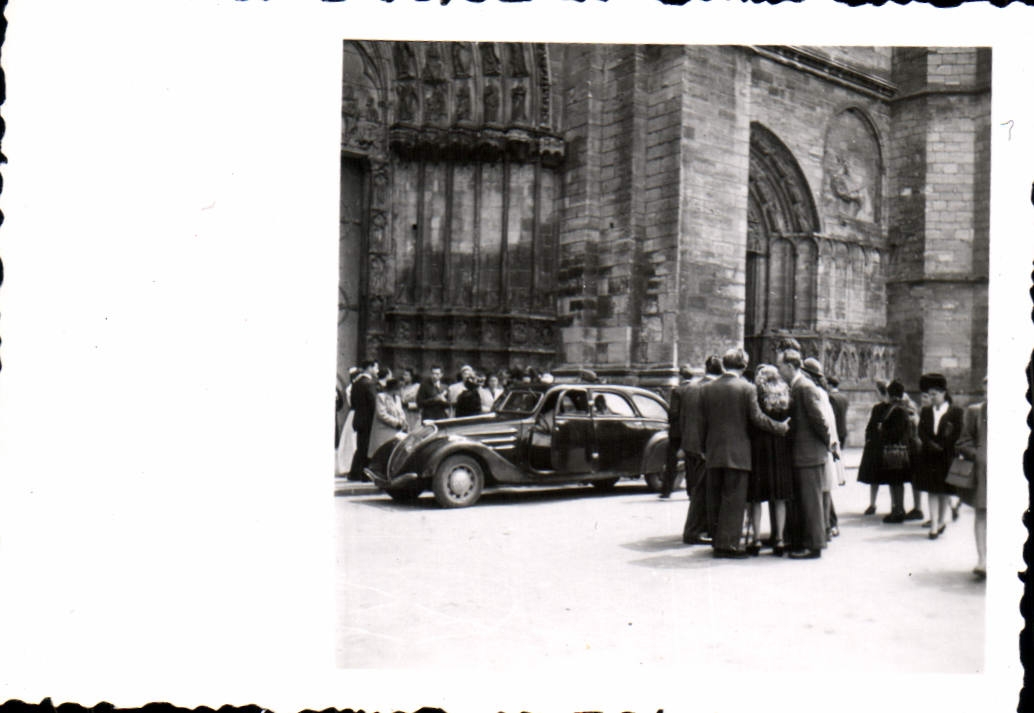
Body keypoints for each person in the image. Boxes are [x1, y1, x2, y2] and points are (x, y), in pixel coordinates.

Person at [699, 347, 789, 559]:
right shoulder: (747, 388)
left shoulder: (707, 388)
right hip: (738, 452)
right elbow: (757, 418)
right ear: (744, 365)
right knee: (734, 499)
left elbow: (702, 422)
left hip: (714, 450)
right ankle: (728, 545)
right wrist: (780, 427)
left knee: (716, 498)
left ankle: (717, 541)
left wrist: (704, 447)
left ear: (724, 364)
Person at [776, 348, 836, 559]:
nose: (779, 369)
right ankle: (805, 542)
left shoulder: (805, 387)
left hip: (810, 455)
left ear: (791, 366)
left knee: (812, 502)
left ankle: (814, 546)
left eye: (781, 365)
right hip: (804, 454)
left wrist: (826, 443)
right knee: (806, 501)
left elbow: (820, 420)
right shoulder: (797, 386)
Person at [747, 364, 793, 556]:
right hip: (780, 449)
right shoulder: (786, 395)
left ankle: (756, 539)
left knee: (756, 497)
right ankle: (780, 539)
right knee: (779, 497)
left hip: (759, 449)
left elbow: (753, 420)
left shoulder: (756, 394)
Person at [915, 373, 965, 540]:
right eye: (930, 395)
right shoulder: (926, 411)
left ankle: (942, 521)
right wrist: (930, 444)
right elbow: (921, 431)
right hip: (929, 456)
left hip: (946, 456)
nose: (932, 398)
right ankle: (934, 526)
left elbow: (958, 432)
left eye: (935, 394)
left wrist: (944, 445)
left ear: (944, 393)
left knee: (944, 491)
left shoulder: (955, 412)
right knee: (932, 491)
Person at [682, 355, 724, 544]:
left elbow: (683, 417)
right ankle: (695, 530)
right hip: (703, 447)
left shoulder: (691, 387)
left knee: (696, 489)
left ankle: (699, 528)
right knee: (702, 491)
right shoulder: (712, 389)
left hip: (690, 444)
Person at [956, 376, 987, 579]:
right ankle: (982, 560)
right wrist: (978, 455)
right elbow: (963, 442)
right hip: (983, 472)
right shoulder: (976, 412)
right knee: (982, 514)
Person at [880, 380, 918, 523]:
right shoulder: (899, 408)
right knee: (894, 481)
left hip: (896, 449)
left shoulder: (897, 410)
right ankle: (896, 509)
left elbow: (897, 431)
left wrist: (883, 431)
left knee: (896, 482)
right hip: (897, 449)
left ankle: (898, 510)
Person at [857, 380, 892, 515]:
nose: (875, 394)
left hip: (882, 445)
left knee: (886, 477)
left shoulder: (886, 407)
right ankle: (873, 503)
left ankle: (876, 504)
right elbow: (871, 426)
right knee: (875, 477)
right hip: (877, 445)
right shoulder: (877, 408)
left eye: (876, 392)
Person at [661, 365, 694, 499]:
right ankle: (691, 491)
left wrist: (670, 420)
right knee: (691, 461)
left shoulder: (677, 391)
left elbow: (674, 412)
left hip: (677, 431)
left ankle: (667, 490)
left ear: (681, 376)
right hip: (691, 430)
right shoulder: (696, 390)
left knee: (671, 461)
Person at [348, 359, 380, 481]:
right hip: (368, 420)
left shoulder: (356, 382)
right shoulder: (369, 383)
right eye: (376, 368)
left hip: (359, 418)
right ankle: (363, 474)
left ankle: (354, 473)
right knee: (366, 447)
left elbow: (353, 402)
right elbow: (373, 403)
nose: (377, 371)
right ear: (370, 367)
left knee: (361, 446)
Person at [368, 378, 409, 457]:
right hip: (383, 430)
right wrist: (397, 423)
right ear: (394, 389)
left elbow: (400, 411)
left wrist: (403, 421)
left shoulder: (397, 398)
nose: (400, 391)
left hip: (395, 430)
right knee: (382, 452)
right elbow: (382, 414)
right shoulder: (381, 397)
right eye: (399, 388)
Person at [399, 367, 422, 433]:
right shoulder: (402, 388)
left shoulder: (417, 387)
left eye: (406, 375)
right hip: (404, 414)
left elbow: (420, 403)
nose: (404, 377)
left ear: (411, 377)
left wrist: (408, 405)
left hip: (414, 414)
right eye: (403, 375)